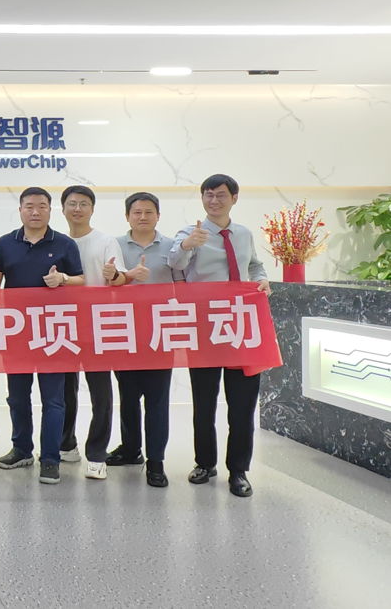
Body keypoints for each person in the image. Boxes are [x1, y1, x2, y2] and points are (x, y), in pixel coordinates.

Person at [168, 174, 271, 498]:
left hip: (240, 326)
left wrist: (263, 279)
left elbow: (255, 266)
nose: (214, 201)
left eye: (221, 195)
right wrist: (188, 245)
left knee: (242, 405)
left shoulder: (244, 234)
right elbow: (173, 263)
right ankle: (205, 463)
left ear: (234, 198)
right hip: (205, 327)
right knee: (204, 402)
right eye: (208, 195)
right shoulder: (191, 232)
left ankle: (238, 470)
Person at [0, 187, 85, 486]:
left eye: (42, 206)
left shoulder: (65, 243)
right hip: (16, 333)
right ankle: (21, 449)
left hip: (54, 333)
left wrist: (63, 279)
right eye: (29, 206)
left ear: (50, 210)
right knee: (17, 397)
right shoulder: (5, 244)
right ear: (20, 209)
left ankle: (50, 459)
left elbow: (81, 280)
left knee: (53, 400)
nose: (35, 211)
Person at [105, 192, 178, 488]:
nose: (143, 217)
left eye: (149, 212)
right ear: (127, 216)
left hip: (160, 333)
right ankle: (131, 449)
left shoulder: (173, 247)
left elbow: (183, 286)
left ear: (158, 216)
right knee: (128, 396)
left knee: (157, 400)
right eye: (137, 212)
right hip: (124, 332)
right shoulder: (114, 245)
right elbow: (107, 284)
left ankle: (156, 462)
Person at [58, 185, 126, 481]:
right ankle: (66, 445)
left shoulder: (105, 241)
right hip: (63, 326)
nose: (77, 209)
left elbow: (120, 279)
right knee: (64, 390)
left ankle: (97, 454)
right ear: (63, 209)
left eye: (84, 204)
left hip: (98, 326)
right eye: (72, 204)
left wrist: (115, 276)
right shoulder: (57, 242)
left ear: (92, 209)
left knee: (101, 393)